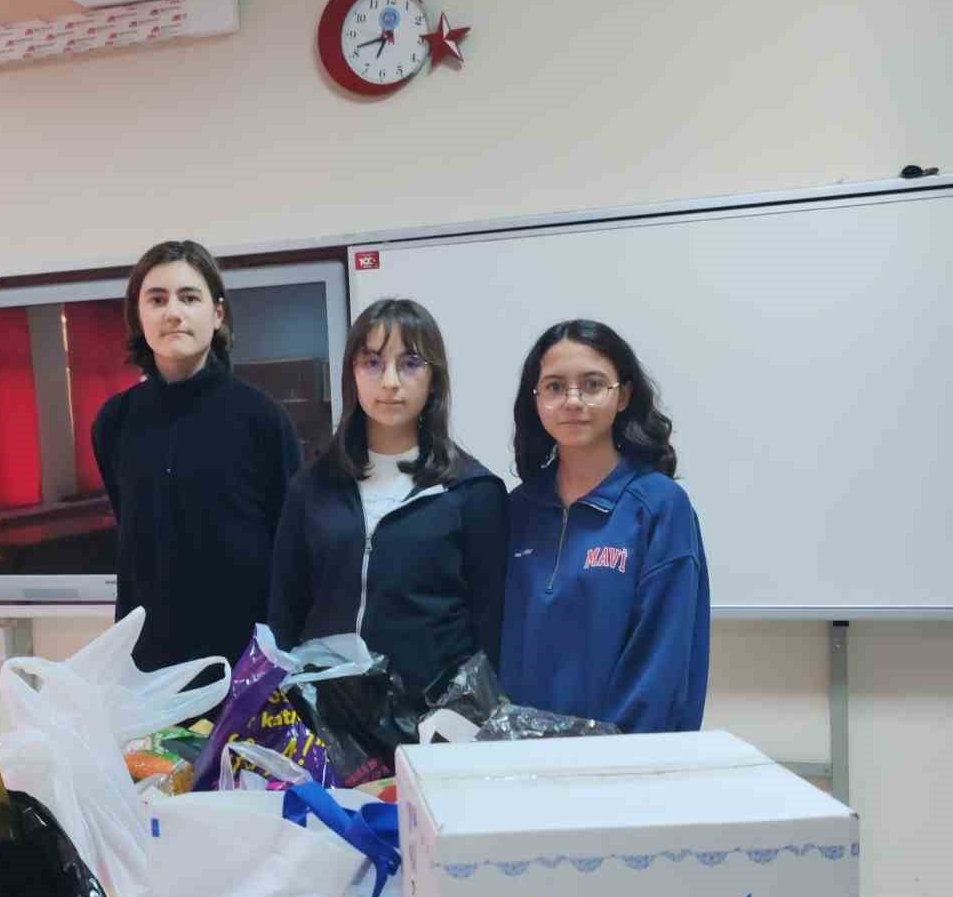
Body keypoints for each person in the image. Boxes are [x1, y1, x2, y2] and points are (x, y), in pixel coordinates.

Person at [269, 297, 508, 703]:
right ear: (352, 374)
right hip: (327, 713)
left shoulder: (473, 491)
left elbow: (490, 628)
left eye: (410, 363)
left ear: (434, 379)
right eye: (373, 363)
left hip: (433, 718)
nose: (390, 381)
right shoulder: (311, 488)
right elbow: (283, 616)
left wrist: (464, 715)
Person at [92, 239, 300, 672]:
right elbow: (133, 531)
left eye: (189, 297)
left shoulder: (262, 419)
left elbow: (292, 549)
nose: (173, 312)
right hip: (146, 670)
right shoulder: (115, 421)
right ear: (138, 316)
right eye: (157, 299)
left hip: (245, 670)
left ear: (217, 313)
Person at [500, 319, 709, 732]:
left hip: (621, 758)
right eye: (554, 386)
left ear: (623, 395)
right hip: (517, 755)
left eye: (592, 384)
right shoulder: (516, 510)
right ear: (536, 399)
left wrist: (614, 756)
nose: (572, 400)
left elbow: (662, 663)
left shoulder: (660, 508)